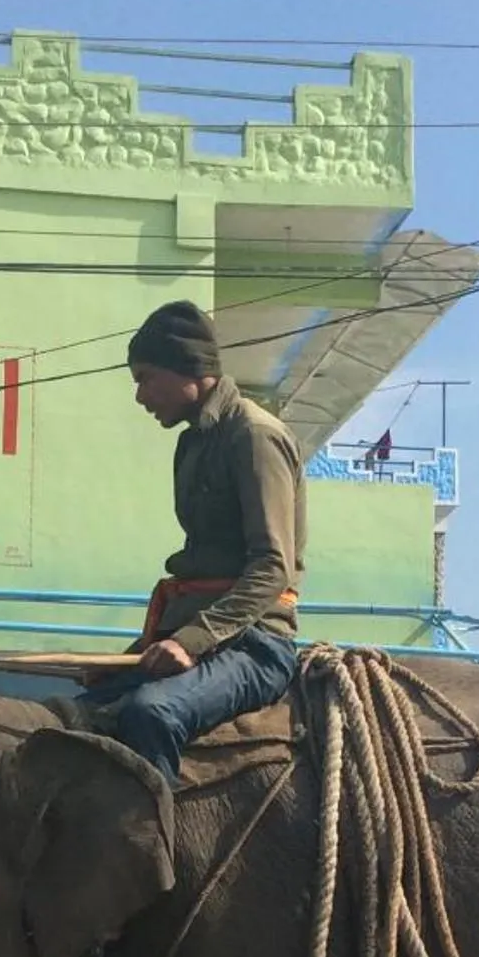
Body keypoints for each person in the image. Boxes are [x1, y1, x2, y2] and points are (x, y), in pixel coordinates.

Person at [78, 299, 304, 783]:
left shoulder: (255, 436)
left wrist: (192, 641)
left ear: (188, 369)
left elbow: (271, 566)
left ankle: (155, 855)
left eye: (145, 377)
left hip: (254, 646)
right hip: (190, 633)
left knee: (150, 714)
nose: (140, 396)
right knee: (79, 711)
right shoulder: (192, 442)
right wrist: (130, 657)